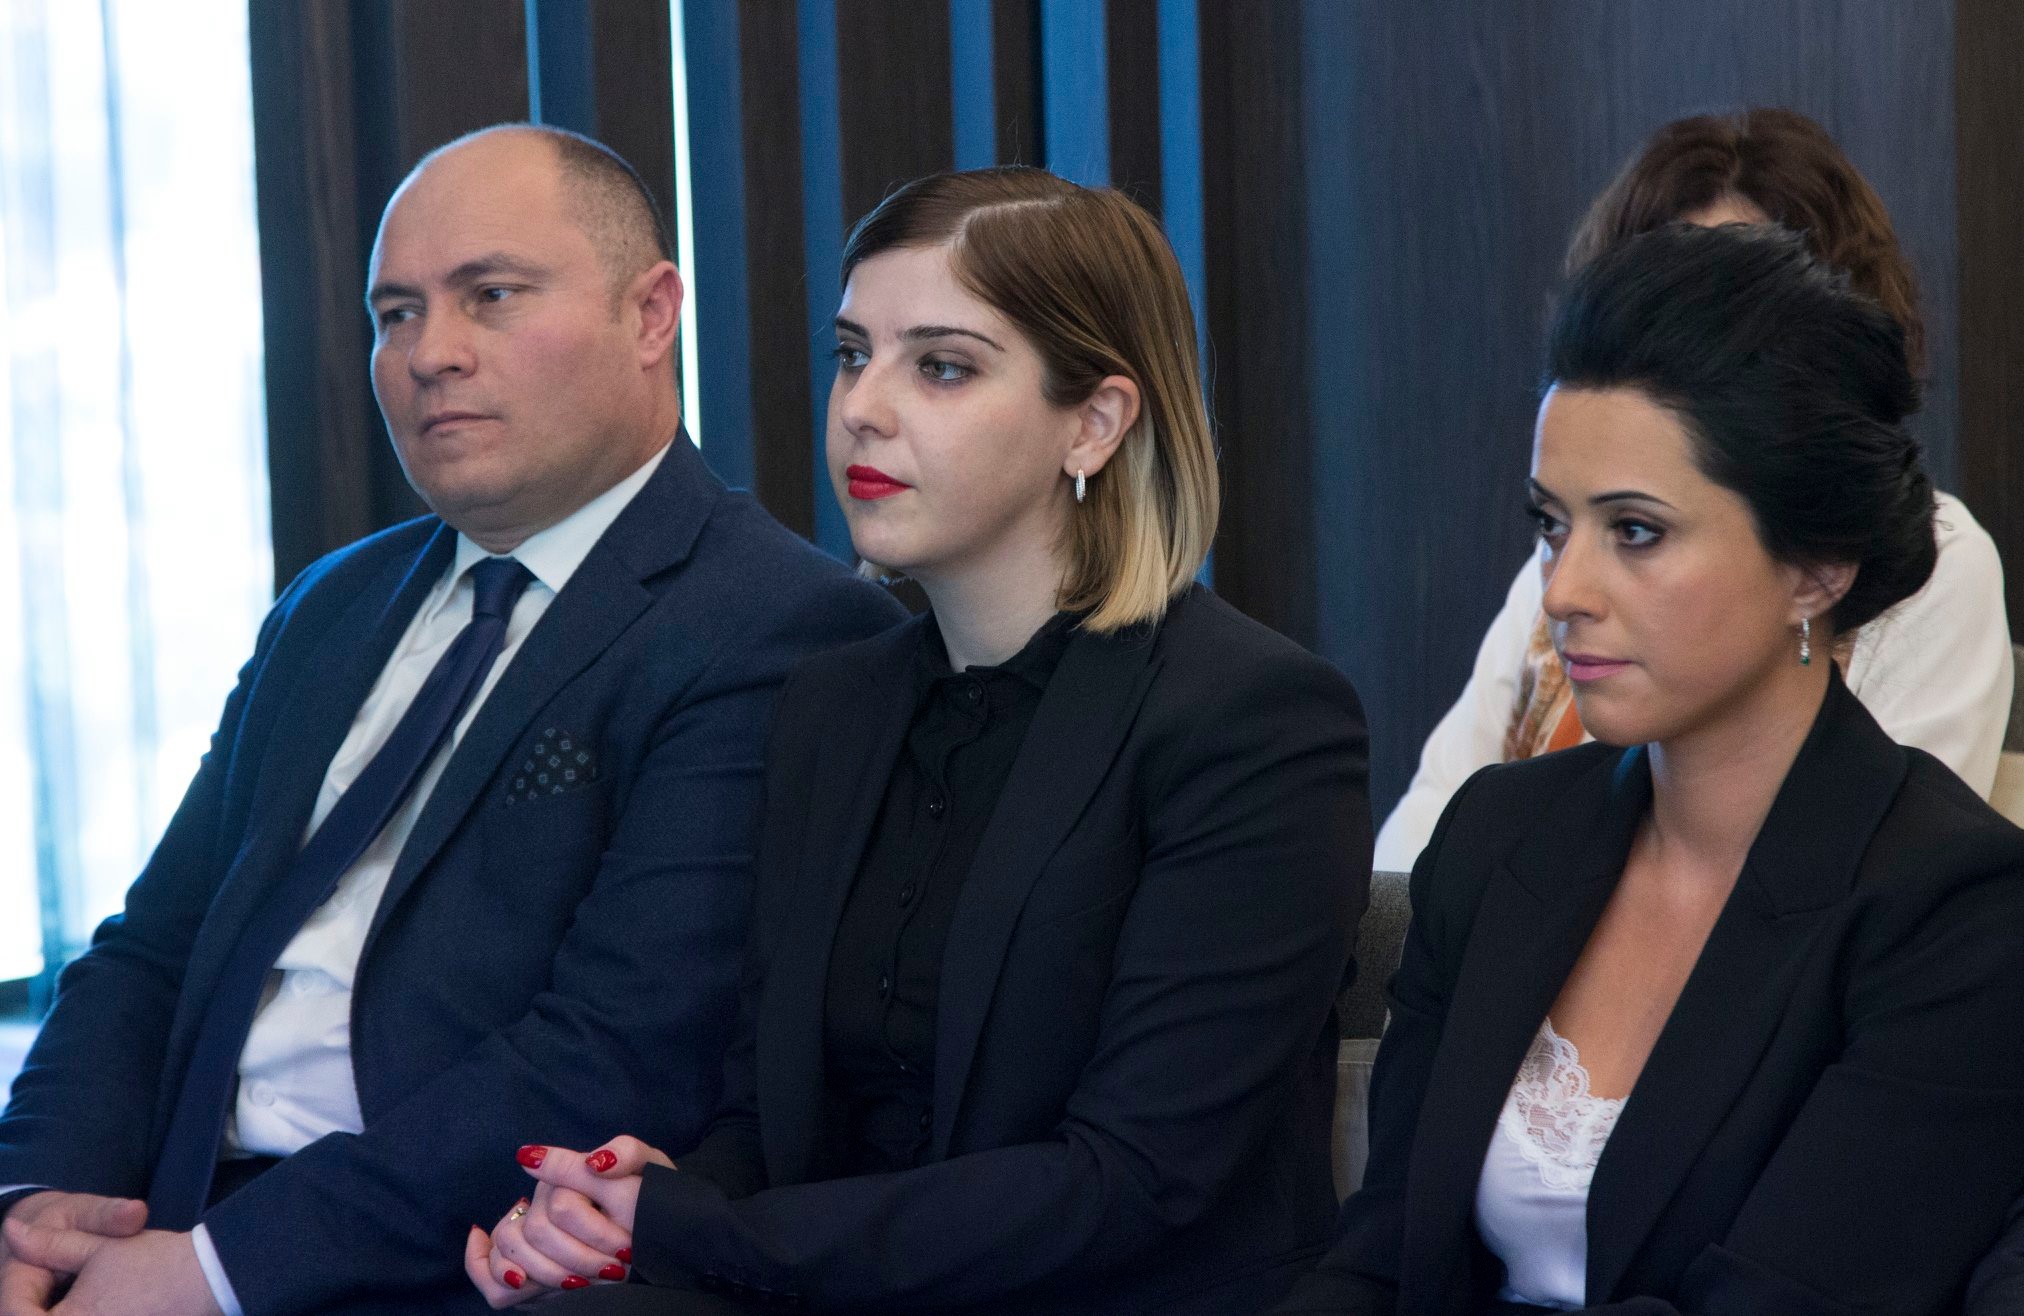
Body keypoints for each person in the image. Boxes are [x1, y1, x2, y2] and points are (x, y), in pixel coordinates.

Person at [0, 125, 903, 1315]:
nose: (432, 353)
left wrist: (214, 1273)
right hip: (158, 1219)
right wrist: (37, 1201)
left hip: (436, 1267)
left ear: (650, 315)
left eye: (491, 294)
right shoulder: (331, 604)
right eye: (397, 314)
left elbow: (613, 1049)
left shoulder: (776, 623)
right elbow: (151, 948)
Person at [464, 165, 1373, 1314]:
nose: (862, 407)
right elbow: (766, 1121)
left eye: (940, 365)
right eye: (853, 354)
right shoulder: (831, 702)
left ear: (1092, 422)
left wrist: (698, 1227)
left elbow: (1131, 1182)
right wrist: (621, 1206)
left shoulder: (1258, 720)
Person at [1275, 223, 2024, 1315]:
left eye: (1634, 531)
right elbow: (1382, 1255)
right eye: (1550, 525)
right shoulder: (1495, 834)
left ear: (1815, 568)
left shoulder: (1955, 906)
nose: (1562, 590)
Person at [1374, 107, 2012, 873]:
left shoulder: (1936, 559)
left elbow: (1886, 871)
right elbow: (1411, 862)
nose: (1567, 590)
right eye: (1652, 297)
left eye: (1732, 305)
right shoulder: (1567, 563)